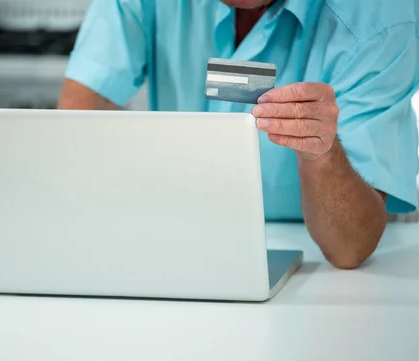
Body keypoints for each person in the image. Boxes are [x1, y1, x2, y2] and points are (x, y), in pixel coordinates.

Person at [57, 0, 419, 269]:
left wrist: (322, 154)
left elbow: (350, 247)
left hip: (313, 268)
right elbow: (75, 130)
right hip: (172, 245)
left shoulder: (382, 20)